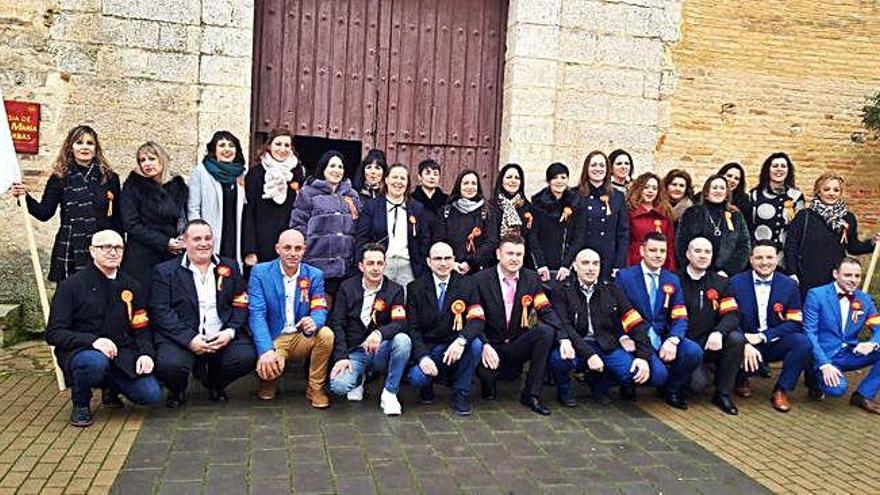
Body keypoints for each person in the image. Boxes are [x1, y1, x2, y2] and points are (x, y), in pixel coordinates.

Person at [46, 230, 162, 427]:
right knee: (93, 363)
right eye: (105, 247)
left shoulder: (132, 286)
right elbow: (54, 333)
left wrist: (146, 354)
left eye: (118, 247)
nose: (113, 252)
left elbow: (141, 328)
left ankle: (111, 387)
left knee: (150, 395)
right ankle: (81, 404)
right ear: (92, 251)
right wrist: (93, 341)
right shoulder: (71, 286)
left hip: (122, 352)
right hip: (83, 351)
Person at [149, 220, 257, 407]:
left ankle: (214, 383)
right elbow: (161, 311)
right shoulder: (165, 271)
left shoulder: (230, 267)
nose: (204, 243)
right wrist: (189, 339)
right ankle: (177, 390)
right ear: (184, 242)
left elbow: (241, 303)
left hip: (220, 335)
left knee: (247, 356)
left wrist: (229, 332)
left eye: (208, 238)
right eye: (197, 238)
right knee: (169, 365)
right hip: (182, 338)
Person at [548, 248, 661, 406]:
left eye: (595, 263)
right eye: (585, 263)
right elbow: (565, 326)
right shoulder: (561, 290)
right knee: (558, 359)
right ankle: (565, 392)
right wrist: (590, 355)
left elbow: (635, 322)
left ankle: (599, 385)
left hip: (605, 345)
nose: (591, 268)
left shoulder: (612, 289)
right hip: (575, 344)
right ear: (574, 265)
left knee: (635, 374)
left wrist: (642, 357)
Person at [10, 125, 122, 282]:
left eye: (90, 143)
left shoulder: (110, 178)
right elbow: (44, 213)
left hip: (103, 250)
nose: (84, 147)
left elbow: (118, 219)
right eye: (79, 142)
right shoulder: (59, 178)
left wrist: (119, 250)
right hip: (70, 249)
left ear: (96, 148)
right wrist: (24, 197)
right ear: (70, 147)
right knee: (69, 299)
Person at [472, 233, 562, 415]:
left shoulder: (531, 278)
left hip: (517, 343)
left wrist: (564, 336)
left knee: (545, 332)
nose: (514, 259)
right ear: (498, 254)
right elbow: (473, 317)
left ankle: (531, 394)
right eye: (510, 253)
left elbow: (545, 309)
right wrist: (485, 344)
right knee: (488, 385)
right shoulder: (479, 280)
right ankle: (488, 380)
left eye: (519, 254)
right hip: (490, 345)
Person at [247, 229, 334, 407]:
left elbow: (319, 307)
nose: (293, 253)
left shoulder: (314, 274)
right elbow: (257, 314)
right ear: (277, 248)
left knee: (326, 334)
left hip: (301, 335)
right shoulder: (260, 272)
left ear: (304, 250)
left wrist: (314, 321)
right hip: (275, 337)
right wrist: (266, 350)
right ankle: (268, 380)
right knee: (268, 375)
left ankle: (315, 388)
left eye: (298, 248)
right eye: (287, 248)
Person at [615, 232, 702, 409]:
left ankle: (672, 390)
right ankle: (629, 385)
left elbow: (680, 315)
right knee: (658, 375)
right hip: (635, 337)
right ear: (642, 251)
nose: (658, 255)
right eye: (652, 250)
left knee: (694, 351)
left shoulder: (672, 280)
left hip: (662, 336)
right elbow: (615, 313)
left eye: (662, 251)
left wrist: (673, 340)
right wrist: (623, 336)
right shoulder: (625, 277)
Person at [327, 244, 412, 415]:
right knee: (339, 386)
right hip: (354, 352)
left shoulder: (395, 290)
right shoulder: (346, 287)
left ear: (385, 265)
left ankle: (390, 393)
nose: (375, 268)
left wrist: (379, 333)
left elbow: (400, 323)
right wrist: (341, 357)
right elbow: (337, 323)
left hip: (380, 350)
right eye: (370, 263)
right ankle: (359, 379)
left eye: (379, 263)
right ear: (361, 266)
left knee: (403, 341)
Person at [728, 241, 812, 412]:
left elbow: (795, 322)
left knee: (802, 343)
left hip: (773, 341)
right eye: (759, 257)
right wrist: (744, 342)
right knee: (734, 342)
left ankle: (781, 390)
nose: (764, 262)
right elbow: (728, 318)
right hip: (745, 342)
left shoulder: (789, 285)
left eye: (769, 257)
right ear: (751, 259)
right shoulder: (735, 283)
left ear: (777, 259)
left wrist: (764, 335)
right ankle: (741, 379)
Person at [406, 241, 485, 415]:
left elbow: (477, 319)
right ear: (428, 262)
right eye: (438, 258)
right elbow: (412, 329)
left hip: (454, 345)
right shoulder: (415, 288)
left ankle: (461, 394)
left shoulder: (468, 284)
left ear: (454, 260)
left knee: (476, 344)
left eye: (447, 258)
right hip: (429, 348)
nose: (443, 263)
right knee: (416, 378)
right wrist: (422, 357)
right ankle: (427, 386)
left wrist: (461, 340)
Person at [803, 257, 880, 414]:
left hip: (850, 352)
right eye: (847, 275)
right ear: (835, 274)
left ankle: (863, 395)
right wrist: (824, 364)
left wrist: (873, 343)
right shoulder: (816, 295)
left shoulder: (864, 299)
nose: (853, 280)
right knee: (837, 389)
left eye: (857, 276)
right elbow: (809, 333)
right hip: (825, 355)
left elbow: (878, 326)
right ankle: (813, 378)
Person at [678, 237, 744, 415]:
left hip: (710, 341)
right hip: (683, 342)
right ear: (688, 254)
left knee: (736, 339)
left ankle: (722, 394)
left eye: (707, 252)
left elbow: (732, 313)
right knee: (697, 385)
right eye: (698, 251)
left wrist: (719, 332)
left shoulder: (721, 282)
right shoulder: (674, 280)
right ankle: (671, 385)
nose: (703, 256)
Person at [785, 173, 879, 297]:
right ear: (818, 192)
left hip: (836, 279)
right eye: (826, 189)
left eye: (836, 190)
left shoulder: (847, 218)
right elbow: (791, 246)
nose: (831, 193)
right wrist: (792, 273)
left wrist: (873, 242)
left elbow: (853, 247)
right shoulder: (805, 216)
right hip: (807, 279)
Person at [290, 150, 362, 298]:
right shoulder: (308, 192)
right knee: (319, 309)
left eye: (340, 167)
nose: (336, 170)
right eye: (332, 166)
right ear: (323, 168)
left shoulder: (352, 195)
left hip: (346, 267)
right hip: (317, 264)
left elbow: (359, 227)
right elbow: (298, 225)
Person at [119, 142, 188, 293]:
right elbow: (131, 224)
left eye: (151, 158)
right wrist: (165, 242)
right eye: (142, 160)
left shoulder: (178, 185)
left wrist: (182, 238)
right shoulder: (133, 186)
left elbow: (183, 216)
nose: (147, 164)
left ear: (161, 160)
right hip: (141, 255)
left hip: (172, 255)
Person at [356, 164, 430, 288]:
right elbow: (362, 238)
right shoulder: (372, 206)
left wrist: (421, 265)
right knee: (379, 303)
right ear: (386, 180)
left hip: (408, 266)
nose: (398, 182)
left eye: (402, 178)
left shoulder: (417, 208)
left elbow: (424, 240)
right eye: (395, 177)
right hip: (381, 265)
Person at [241, 128, 306, 268]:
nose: (282, 149)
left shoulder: (298, 174)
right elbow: (249, 211)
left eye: (287, 145)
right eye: (278, 144)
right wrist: (250, 249)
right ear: (269, 146)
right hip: (261, 239)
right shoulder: (255, 173)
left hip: (289, 242)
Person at [187, 130, 247, 265]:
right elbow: (193, 208)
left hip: (234, 234)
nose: (227, 149)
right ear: (214, 149)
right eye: (222, 145)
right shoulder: (201, 172)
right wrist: (198, 235)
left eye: (231, 146)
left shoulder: (242, 173)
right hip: (210, 234)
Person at [676, 175, 750, 277]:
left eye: (722, 188)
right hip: (695, 273)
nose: (718, 191)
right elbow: (681, 242)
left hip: (724, 276)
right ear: (706, 191)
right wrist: (691, 268)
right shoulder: (693, 213)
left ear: (727, 193)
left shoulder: (735, 216)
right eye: (714, 188)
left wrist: (728, 271)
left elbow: (743, 246)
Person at [575, 150, 629, 282]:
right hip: (583, 257)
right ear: (586, 168)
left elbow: (623, 233)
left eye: (602, 165)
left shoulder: (617, 196)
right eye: (593, 165)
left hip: (608, 259)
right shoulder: (575, 194)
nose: (598, 169)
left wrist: (618, 263)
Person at [747, 152, 805, 269]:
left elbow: (799, 229)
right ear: (768, 170)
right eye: (775, 166)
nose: (779, 169)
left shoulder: (796, 196)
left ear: (788, 170)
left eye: (783, 166)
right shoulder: (754, 195)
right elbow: (748, 226)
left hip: (783, 257)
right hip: (759, 255)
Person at [435, 169, 498, 275]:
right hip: (451, 269)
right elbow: (439, 239)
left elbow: (491, 241)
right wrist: (452, 263)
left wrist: (470, 263)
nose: (470, 187)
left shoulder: (487, 211)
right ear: (459, 186)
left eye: (473, 183)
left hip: (478, 271)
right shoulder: (446, 211)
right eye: (465, 183)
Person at [528, 162, 579, 282]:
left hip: (566, 267)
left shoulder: (576, 203)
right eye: (555, 177)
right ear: (548, 181)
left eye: (563, 177)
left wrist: (567, 265)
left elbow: (578, 237)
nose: (559, 181)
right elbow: (532, 236)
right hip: (542, 266)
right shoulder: (537, 203)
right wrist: (540, 264)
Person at [625, 172, 676, 269]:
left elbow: (669, 244)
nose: (650, 191)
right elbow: (626, 242)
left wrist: (670, 268)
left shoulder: (665, 213)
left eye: (654, 188)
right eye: (646, 187)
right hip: (635, 262)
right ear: (639, 189)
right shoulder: (630, 212)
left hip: (659, 264)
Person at [491, 163, 531, 241]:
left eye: (517, 178)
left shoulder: (528, 207)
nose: (513, 181)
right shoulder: (490, 206)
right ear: (501, 181)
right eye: (509, 177)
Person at [717, 162, 753, 228]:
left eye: (736, 178)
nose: (732, 180)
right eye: (729, 176)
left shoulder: (744, 201)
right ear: (721, 176)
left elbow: (747, 226)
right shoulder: (703, 196)